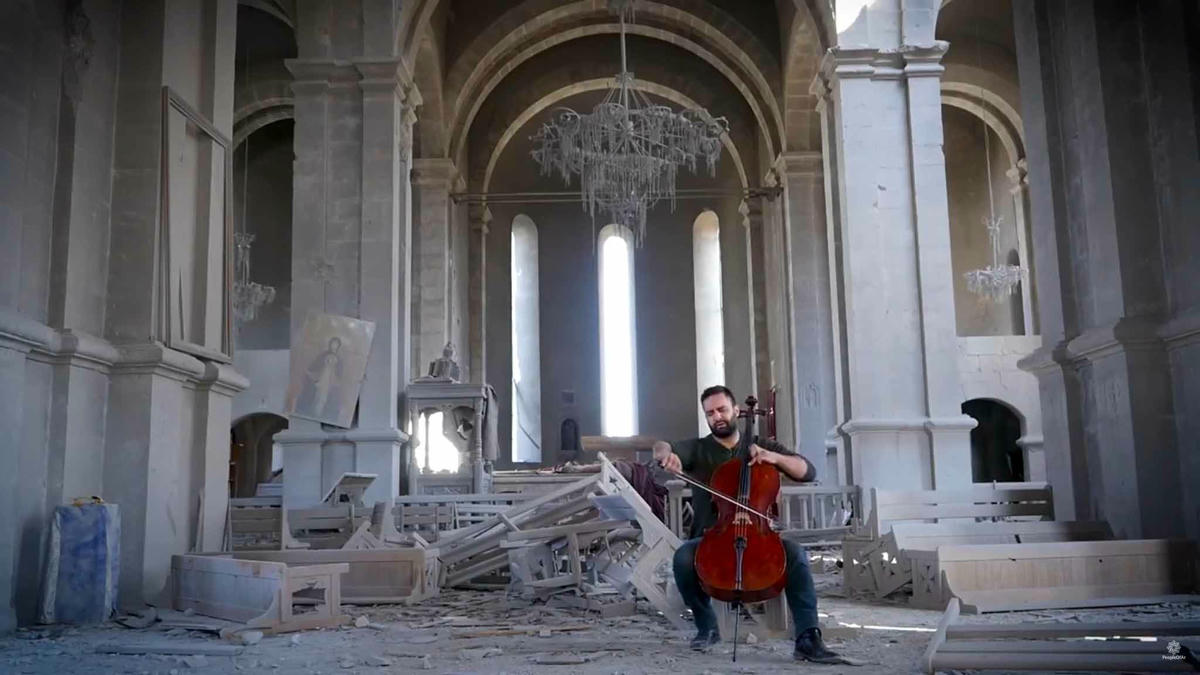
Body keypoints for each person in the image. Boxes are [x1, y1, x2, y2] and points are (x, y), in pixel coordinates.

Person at [653, 385, 841, 664]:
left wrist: (773, 458)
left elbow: (808, 471)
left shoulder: (763, 446)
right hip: (712, 539)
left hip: (759, 535)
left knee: (797, 556)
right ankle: (707, 627)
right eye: (710, 413)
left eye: (721, 409)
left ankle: (808, 637)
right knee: (682, 558)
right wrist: (665, 454)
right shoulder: (699, 448)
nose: (716, 416)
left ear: (736, 412)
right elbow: (662, 446)